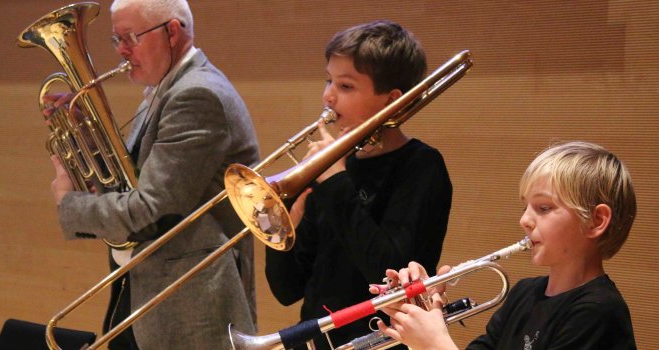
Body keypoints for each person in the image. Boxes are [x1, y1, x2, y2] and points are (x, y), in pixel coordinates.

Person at [45, 0, 259, 348]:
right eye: (116, 40)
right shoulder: (165, 89)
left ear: (172, 32)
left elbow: (150, 209)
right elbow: (133, 183)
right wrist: (86, 135)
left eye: (130, 37)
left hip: (191, 305)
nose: (122, 51)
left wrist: (70, 204)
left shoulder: (197, 94)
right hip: (153, 289)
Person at [265, 20, 453, 349]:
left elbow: (387, 273)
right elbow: (286, 290)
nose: (328, 96)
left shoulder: (422, 168)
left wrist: (338, 181)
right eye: (329, 80)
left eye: (346, 86)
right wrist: (283, 227)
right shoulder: (334, 172)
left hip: (381, 340)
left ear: (390, 99)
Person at [376, 141, 637, 349]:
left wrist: (435, 344)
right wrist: (420, 316)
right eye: (526, 207)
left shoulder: (599, 313)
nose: (525, 220)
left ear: (596, 221)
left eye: (544, 208)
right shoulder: (524, 293)